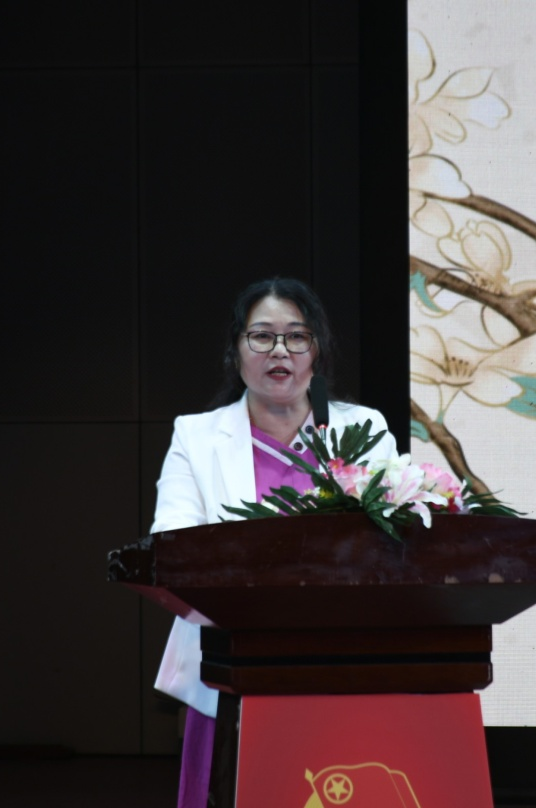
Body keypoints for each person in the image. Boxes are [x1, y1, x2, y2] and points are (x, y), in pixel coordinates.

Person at [149, 277, 398, 808]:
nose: (280, 350)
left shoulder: (363, 428)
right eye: (262, 336)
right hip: (226, 668)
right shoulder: (197, 435)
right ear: (235, 350)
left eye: (296, 336)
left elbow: (390, 543)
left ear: (317, 350)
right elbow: (173, 545)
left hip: (340, 662)